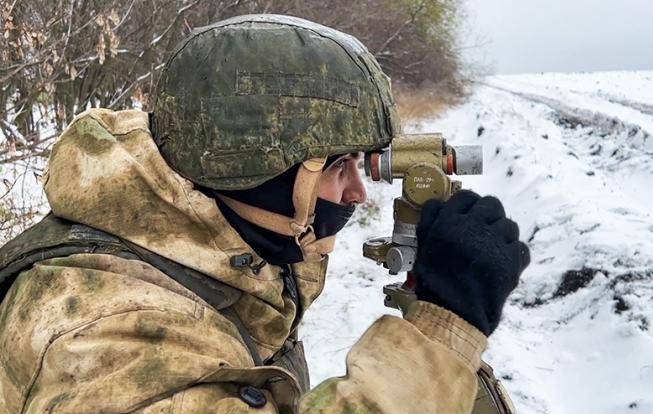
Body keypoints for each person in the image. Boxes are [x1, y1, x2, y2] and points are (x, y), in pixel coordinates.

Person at [0, 15, 529, 413]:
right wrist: (439, 334)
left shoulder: (221, 249)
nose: (356, 195)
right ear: (256, 167)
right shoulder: (103, 339)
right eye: (337, 168)